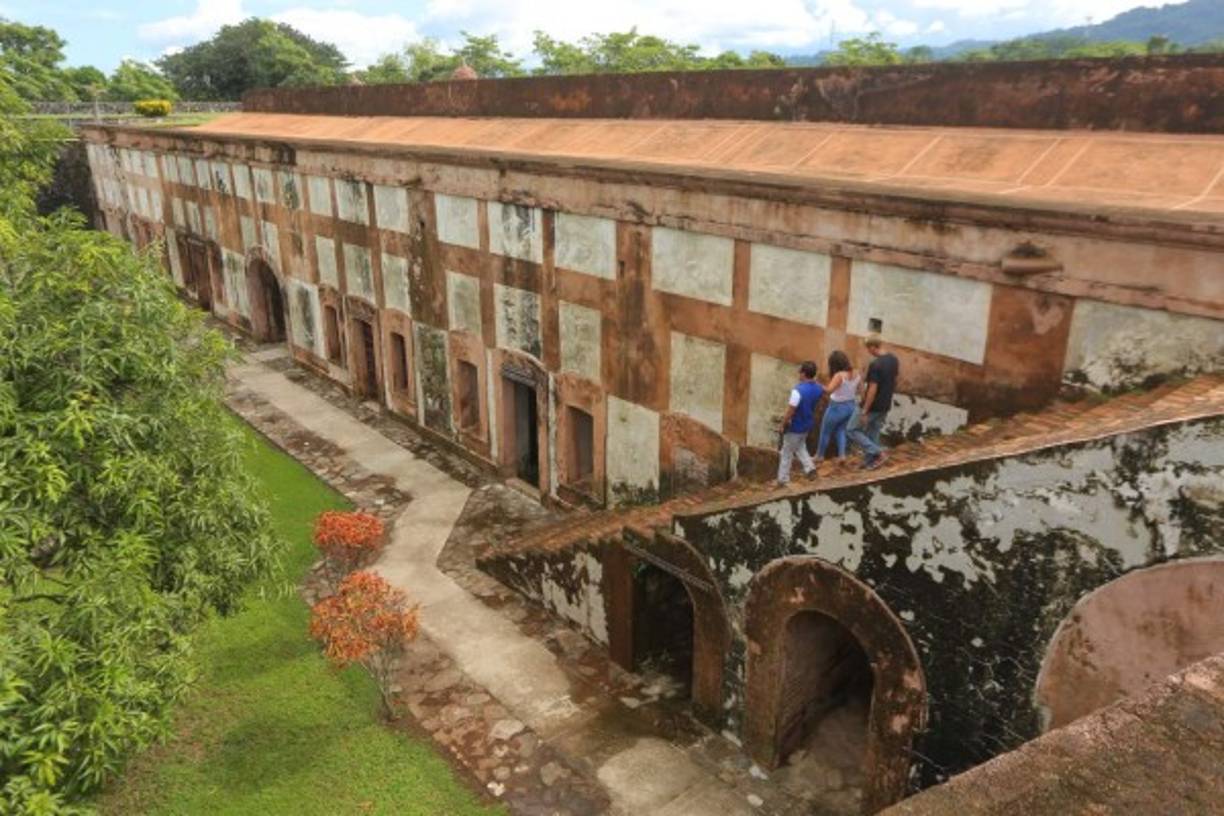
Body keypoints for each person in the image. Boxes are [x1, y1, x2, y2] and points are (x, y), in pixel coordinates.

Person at [848, 333, 898, 469]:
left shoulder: (876, 365)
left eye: (868, 348)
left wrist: (864, 411)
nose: (867, 351)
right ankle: (869, 461)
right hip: (885, 404)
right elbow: (894, 381)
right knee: (873, 432)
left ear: (872, 347)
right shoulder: (894, 360)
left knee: (851, 429)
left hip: (873, 406)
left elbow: (872, 390)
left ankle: (879, 452)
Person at [776, 360, 823, 485]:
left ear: (803, 374)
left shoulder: (797, 391)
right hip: (807, 424)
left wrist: (782, 424)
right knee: (801, 447)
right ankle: (810, 469)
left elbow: (791, 410)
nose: (799, 374)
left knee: (786, 452)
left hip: (795, 426)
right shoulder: (818, 388)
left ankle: (783, 479)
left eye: (800, 372)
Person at [817, 351, 860, 460]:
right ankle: (842, 455)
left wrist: (817, 384)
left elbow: (829, 390)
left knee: (825, 431)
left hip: (837, 407)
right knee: (841, 430)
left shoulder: (839, 375)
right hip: (851, 405)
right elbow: (860, 390)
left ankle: (819, 456)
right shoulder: (856, 373)